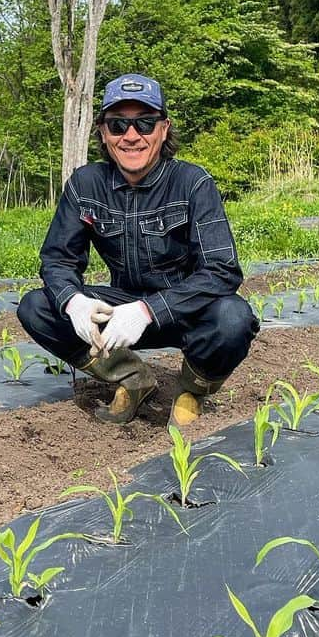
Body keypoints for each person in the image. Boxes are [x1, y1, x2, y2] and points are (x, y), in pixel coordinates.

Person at [17, 73, 258, 427]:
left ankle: (192, 389)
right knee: (37, 306)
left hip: (186, 310)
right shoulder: (86, 185)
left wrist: (148, 310)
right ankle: (131, 378)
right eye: (118, 125)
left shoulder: (193, 183)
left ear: (163, 129)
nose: (132, 136)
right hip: (120, 306)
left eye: (145, 123)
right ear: (103, 132)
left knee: (233, 318)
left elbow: (222, 270)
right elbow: (57, 259)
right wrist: (75, 302)